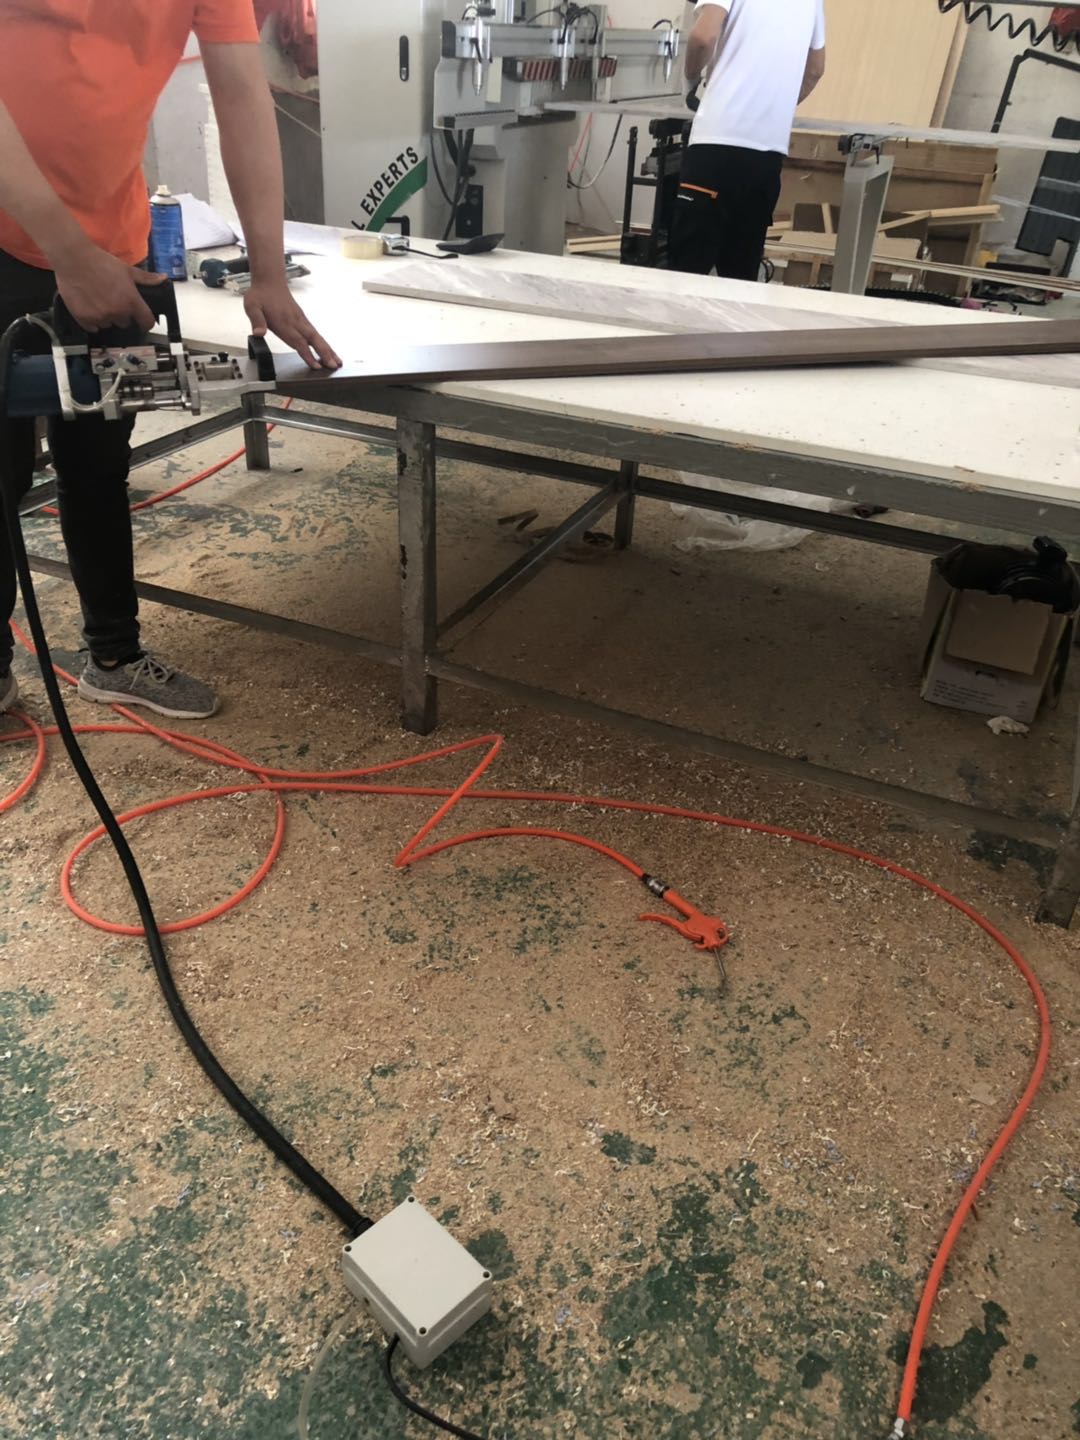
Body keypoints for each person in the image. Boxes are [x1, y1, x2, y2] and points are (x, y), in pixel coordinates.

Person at [0, 0, 341, 720]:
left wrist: (268, 272)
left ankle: (114, 656)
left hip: (114, 242)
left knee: (98, 463)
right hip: (11, 235)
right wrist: (69, 256)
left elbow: (243, 100)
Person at [669, 0, 826, 282]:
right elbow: (815, 70)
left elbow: (702, 37)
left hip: (716, 145)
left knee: (686, 274)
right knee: (740, 276)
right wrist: (774, 110)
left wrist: (690, 82)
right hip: (766, 156)